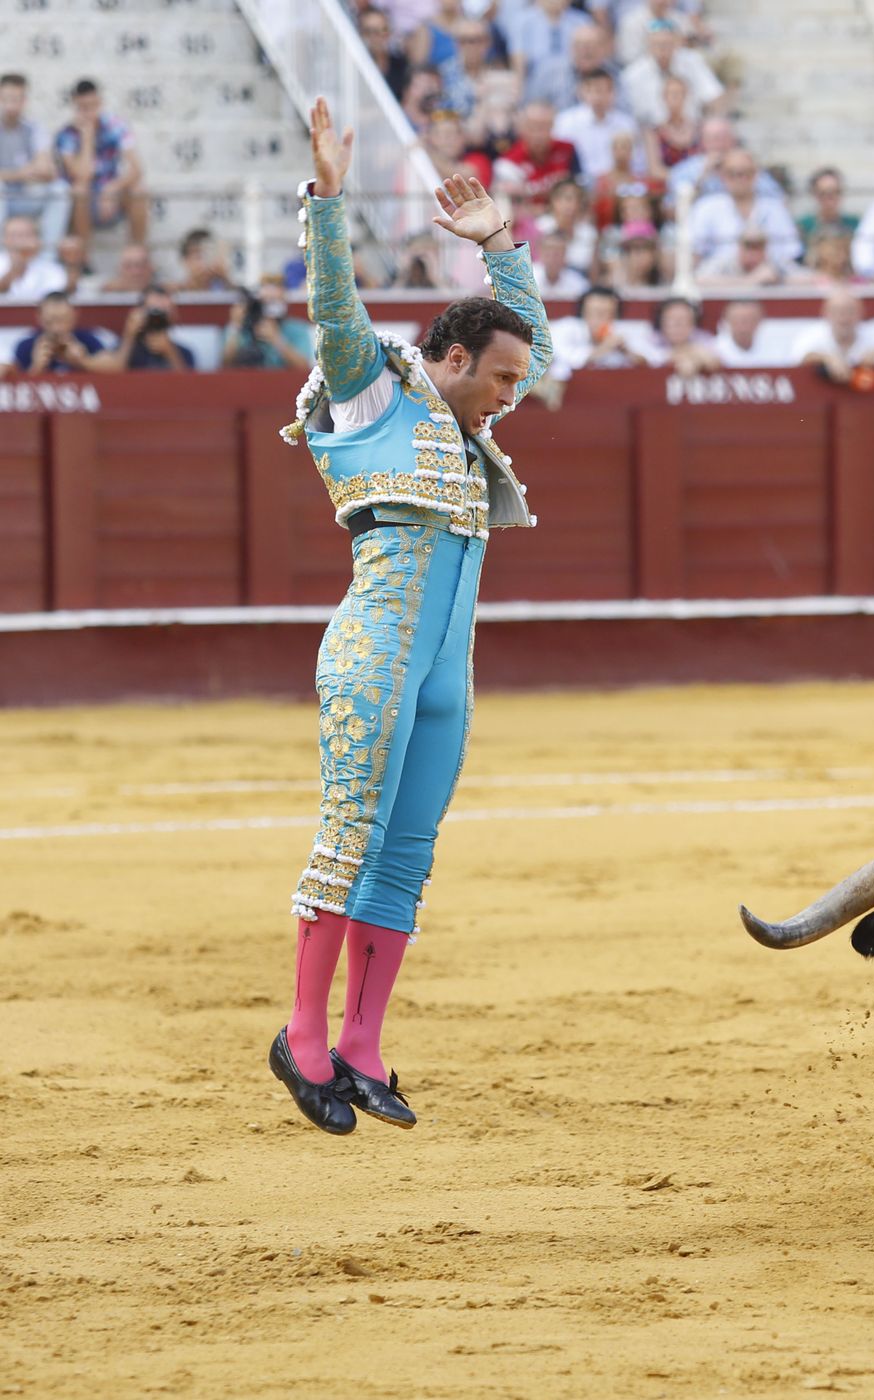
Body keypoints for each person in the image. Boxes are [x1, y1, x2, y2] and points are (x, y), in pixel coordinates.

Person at [271, 99, 553, 1137]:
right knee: (349, 840)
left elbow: (537, 348)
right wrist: (330, 201)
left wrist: (503, 250)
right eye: (504, 380)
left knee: (405, 853)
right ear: (455, 358)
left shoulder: (480, 408)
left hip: (444, 674)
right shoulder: (371, 392)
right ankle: (302, 1037)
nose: (515, 398)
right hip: (376, 653)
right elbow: (335, 307)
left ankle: (363, 1044)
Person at [53, 78, 147, 244]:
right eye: (84, 107)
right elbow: (82, 175)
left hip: (110, 194)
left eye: (93, 106)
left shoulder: (116, 126)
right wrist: (87, 137)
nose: (89, 112)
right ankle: (83, 258)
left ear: (100, 102)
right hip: (82, 201)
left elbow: (136, 169)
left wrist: (111, 189)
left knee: (138, 191)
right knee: (80, 190)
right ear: (75, 106)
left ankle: (138, 252)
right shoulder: (66, 135)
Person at [689, 148, 801, 270]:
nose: (740, 179)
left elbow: (791, 252)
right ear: (722, 176)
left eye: (746, 173)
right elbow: (695, 252)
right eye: (733, 174)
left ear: (756, 174)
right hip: (720, 278)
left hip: (769, 277)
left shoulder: (775, 208)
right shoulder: (706, 207)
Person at [1, 73, 70, 248]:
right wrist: (21, 173)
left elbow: (46, 171)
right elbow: (35, 169)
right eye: (6, 98)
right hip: (4, 197)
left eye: (16, 99)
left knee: (60, 190)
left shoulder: (35, 128)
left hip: (25, 196)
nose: (10, 104)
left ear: (24, 101)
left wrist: (10, 175)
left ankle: (48, 256)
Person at [791, 285, 874, 382]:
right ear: (825, 314)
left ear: (861, 313)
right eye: (837, 311)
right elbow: (799, 358)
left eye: (849, 311)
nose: (843, 317)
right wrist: (827, 359)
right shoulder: (811, 334)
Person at [621, 21, 725, 124]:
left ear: (677, 43)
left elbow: (713, 95)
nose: (662, 49)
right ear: (648, 45)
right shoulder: (632, 74)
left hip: (692, 128)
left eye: (667, 44)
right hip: (651, 131)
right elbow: (632, 114)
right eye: (657, 44)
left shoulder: (693, 61)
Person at [12, 290, 117, 374]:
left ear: (74, 315)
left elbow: (115, 367)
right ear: (39, 317)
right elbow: (16, 384)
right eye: (50, 321)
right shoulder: (26, 346)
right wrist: (37, 367)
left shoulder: (86, 339)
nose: (57, 328)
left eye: (63, 320)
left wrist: (84, 362)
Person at [221, 275, 315, 369]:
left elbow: (303, 367)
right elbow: (225, 362)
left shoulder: (297, 328)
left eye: (275, 300)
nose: (270, 306)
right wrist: (236, 325)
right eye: (266, 301)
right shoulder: (246, 325)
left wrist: (276, 339)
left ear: (285, 301)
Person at [550, 283, 653, 369]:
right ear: (583, 313)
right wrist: (604, 348)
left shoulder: (622, 333)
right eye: (598, 313)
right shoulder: (565, 328)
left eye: (610, 314)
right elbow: (565, 360)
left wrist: (626, 351)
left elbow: (649, 361)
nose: (604, 319)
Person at [112, 285, 195, 372]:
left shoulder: (184, 353)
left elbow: (187, 382)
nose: (156, 318)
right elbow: (114, 372)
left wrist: (170, 352)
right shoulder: (126, 349)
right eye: (152, 310)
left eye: (163, 311)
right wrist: (129, 335)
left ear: (173, 316)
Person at [0, 213, 67, 303]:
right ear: (4, 239)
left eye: (26, 235)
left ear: (37, 239)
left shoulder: (53, 269)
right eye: (14, 235)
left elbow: (55, 302)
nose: (20, 241)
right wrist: (16, 267)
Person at [650, 295, 720, 375]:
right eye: (672, 319)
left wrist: (696, 360)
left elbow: (714, 361)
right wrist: (682, 357)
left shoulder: (704, 338)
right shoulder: (650, 340)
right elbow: (650, 359)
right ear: (661, 321)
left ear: (693, 323)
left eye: (684, 319)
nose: (678, 324)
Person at [797, 167, 858, 251]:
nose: (830, 198)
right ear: (814, 194)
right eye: (824, 193)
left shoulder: (855, 225)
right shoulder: (803, 226)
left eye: (836, 192)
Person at [714, 298, 786, 366]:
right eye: (736, 321)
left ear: (759, 321)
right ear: (727, 321)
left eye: (749, 321)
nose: (743, 328)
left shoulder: (774, 351)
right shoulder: (714, 350)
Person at [177, 227, 232, 292]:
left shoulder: (231, 292)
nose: (206, 264)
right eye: (199, 256)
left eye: (210, 256)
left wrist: (226, 280)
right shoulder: (172, 295)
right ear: (185, 260)